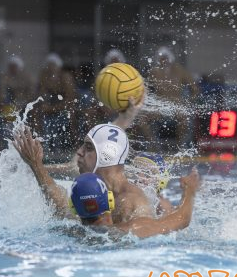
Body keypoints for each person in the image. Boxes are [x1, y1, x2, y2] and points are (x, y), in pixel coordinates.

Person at [13, 121, 154, 223]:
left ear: (107, 155)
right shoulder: (95, 187)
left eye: (88, 147)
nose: (79, 152)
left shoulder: (131, 203)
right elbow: (65, 210)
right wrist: (36, 165)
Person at [69, 170, 199, 238]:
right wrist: (189, 190)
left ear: (73, 207)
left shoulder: (71, 232)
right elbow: (182, 219)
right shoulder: (130, 230)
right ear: (110, 200)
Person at [148, 46, 200, 150]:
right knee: (142, 120)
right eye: (161, 58)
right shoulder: (154, 72)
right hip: (159, 107)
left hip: (176, 105)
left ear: (170, 58)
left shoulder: (179, 70)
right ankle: (153, 144)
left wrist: (188, 102)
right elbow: (146, 90)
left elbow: (194, 89)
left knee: (185, 119)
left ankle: (180, 145)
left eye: (165, 58)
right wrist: (149, 103)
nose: (164, 61)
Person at [36, 53, 77, 152]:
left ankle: (73, 143)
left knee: (70, 113)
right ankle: (40, 143)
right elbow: (40, 98)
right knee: (35, 112)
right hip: (52, 109)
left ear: (59, 66)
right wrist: (44, 107)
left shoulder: (66, 77)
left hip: (64, 108)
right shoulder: (45, 77)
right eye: (49, 65)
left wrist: (51, 108)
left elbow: (70, 102)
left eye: (53, 65)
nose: (51, 68)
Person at [0, 55, 33, 132]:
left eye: (14, 67)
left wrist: (22, 102)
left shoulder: (27, 78)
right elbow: (2, 94)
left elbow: (31, 96)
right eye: (10, 67)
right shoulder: (6, 78)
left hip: (23, 104)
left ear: (19, 68)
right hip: (9, 104)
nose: (12, 69)